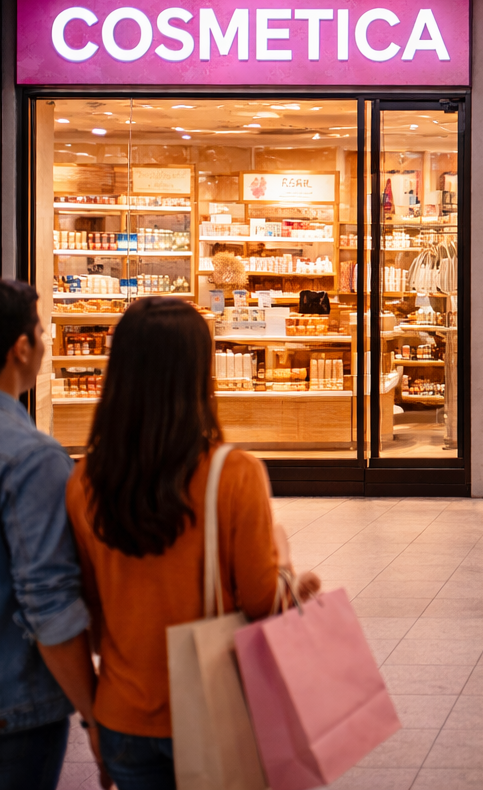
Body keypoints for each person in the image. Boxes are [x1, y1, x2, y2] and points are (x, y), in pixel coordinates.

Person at [66, 297, 320, 790]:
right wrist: (287, 564)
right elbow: (262, 602)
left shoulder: (84, 481)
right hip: (212, 706)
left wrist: (92, 717)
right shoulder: (233, 474)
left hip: (122, 715)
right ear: (200, 374)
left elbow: (87, 610)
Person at [0, 278, 106, 789]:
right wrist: (94, 714)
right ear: (21, 348)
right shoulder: (32, 458)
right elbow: (50, 606)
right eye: (41, 331)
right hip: (8, 710)